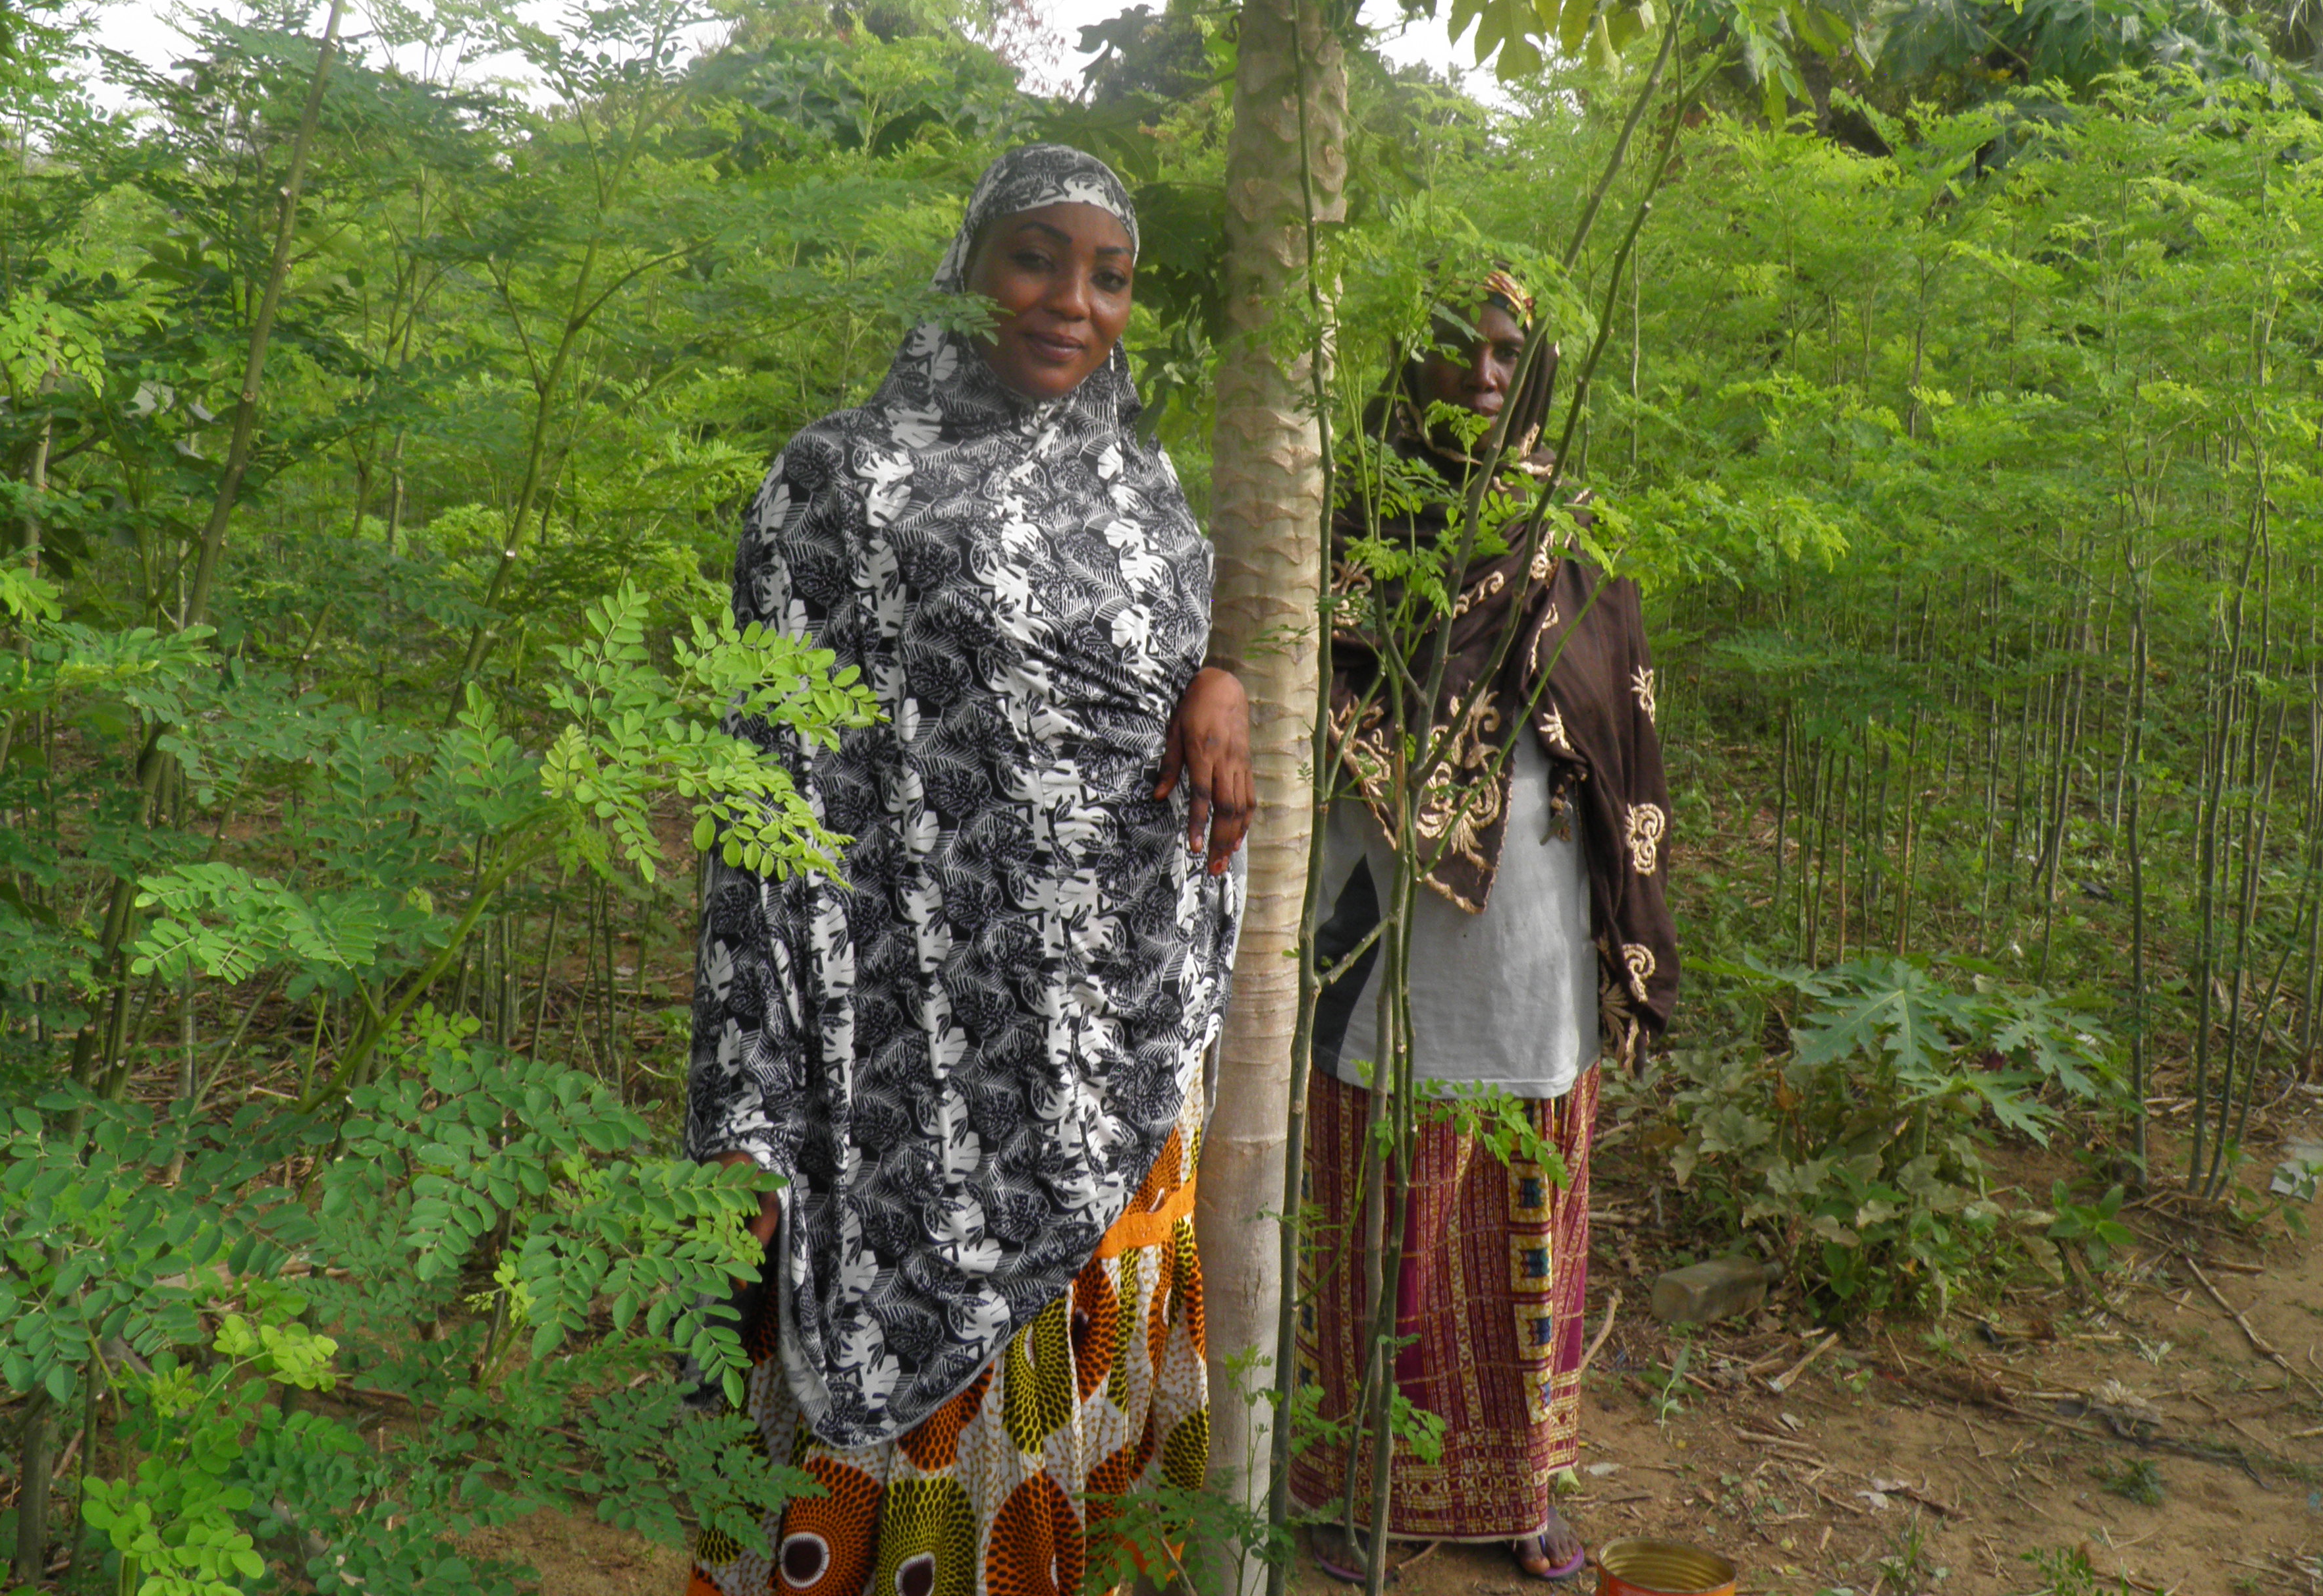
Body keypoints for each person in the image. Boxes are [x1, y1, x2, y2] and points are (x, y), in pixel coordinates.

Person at [684, 144, 1254, 1596]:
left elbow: (1183, 661)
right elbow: (768, 795)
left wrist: (1225, 678)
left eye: (1108, 277)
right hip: (904, 1054)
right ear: (964, 271)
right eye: (1034, 260)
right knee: (903, 1385)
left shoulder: (1143, 487)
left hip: (1115, 1046)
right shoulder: (839, 483)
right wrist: (752, 1104)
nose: (1072, 302)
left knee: (1081, 1383)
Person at [1290, 267, 1678, 1583]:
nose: (1483, 374)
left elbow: (1623, 741)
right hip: (1389, 956)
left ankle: (1519, 1497)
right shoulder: (1347, 533)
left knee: (1527, 1223)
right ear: (1410, 365)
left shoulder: (1570, 542)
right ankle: (1359, 1495)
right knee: (1384, 1230)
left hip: (1534, 968)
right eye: (1457, 348)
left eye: (1508, 353)